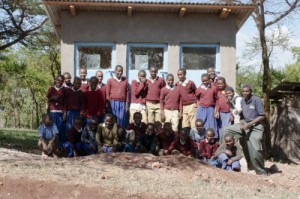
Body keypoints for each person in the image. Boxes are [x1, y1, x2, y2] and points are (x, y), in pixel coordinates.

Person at [222, 84, 267, 175]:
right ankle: (222, 155)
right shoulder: (242, 101)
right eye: (243, 91)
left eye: (247, 91)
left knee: (255, 149)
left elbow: (262, 116)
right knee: (226, 130)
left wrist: (250, 124)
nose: (245, 93)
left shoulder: (256, 100)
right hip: (245, 125)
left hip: (256, 126)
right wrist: (242, 122)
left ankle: (261, 171)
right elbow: (241, 115)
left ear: (251, 92)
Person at [195, 73, 218, 137]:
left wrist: (216, 110)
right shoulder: (199, 88)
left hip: (210, 108)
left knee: (211, 124)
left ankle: (213, 139)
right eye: (203, 81)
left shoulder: (214, 88)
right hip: (201, 108)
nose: (205, 82)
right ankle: (202, 139)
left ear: (209, 80)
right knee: (201, 124)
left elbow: (217, 99)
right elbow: (196, 96)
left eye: (206, 80)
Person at [46, 75, 65, 145]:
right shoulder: (51, 89)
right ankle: (51, 146)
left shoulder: (64, 90)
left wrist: (64, 113)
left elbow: (65, 102)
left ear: (63, 82)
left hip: (60, 112)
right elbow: (47, 100)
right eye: (58, 80)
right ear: (55, 80)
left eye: (61, 81)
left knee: (59, 129)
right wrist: (52, 98)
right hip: (52, 112)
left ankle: (58, 147)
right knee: (52, 129)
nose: (59, 82)